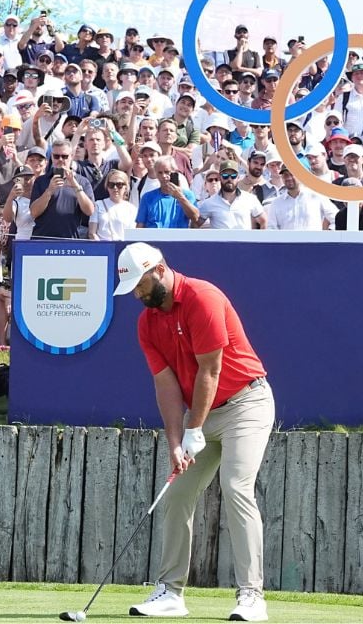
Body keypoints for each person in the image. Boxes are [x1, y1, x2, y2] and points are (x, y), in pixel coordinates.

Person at [113, 242, 274, 621]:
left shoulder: (203, 297)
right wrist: (175, 442)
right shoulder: (147, 322)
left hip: (245, 404)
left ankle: (252, 596)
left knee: (236, 487)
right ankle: (170, 592)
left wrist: (195, 429)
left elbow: (211, 371)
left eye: (140, 285)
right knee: (177, 492)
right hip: (202, 415)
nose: (137, 294)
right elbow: (166, 386)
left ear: (159, 270)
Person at [88, 169, 137, 240]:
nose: (115, 188)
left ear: (125, 187)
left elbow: (133, 235)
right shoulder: (98, 205)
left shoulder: (132, 209)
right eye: (111, 185)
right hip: (103, 246)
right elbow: (92, 233)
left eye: (119, 185)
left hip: (123, 247)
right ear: (107, 186)